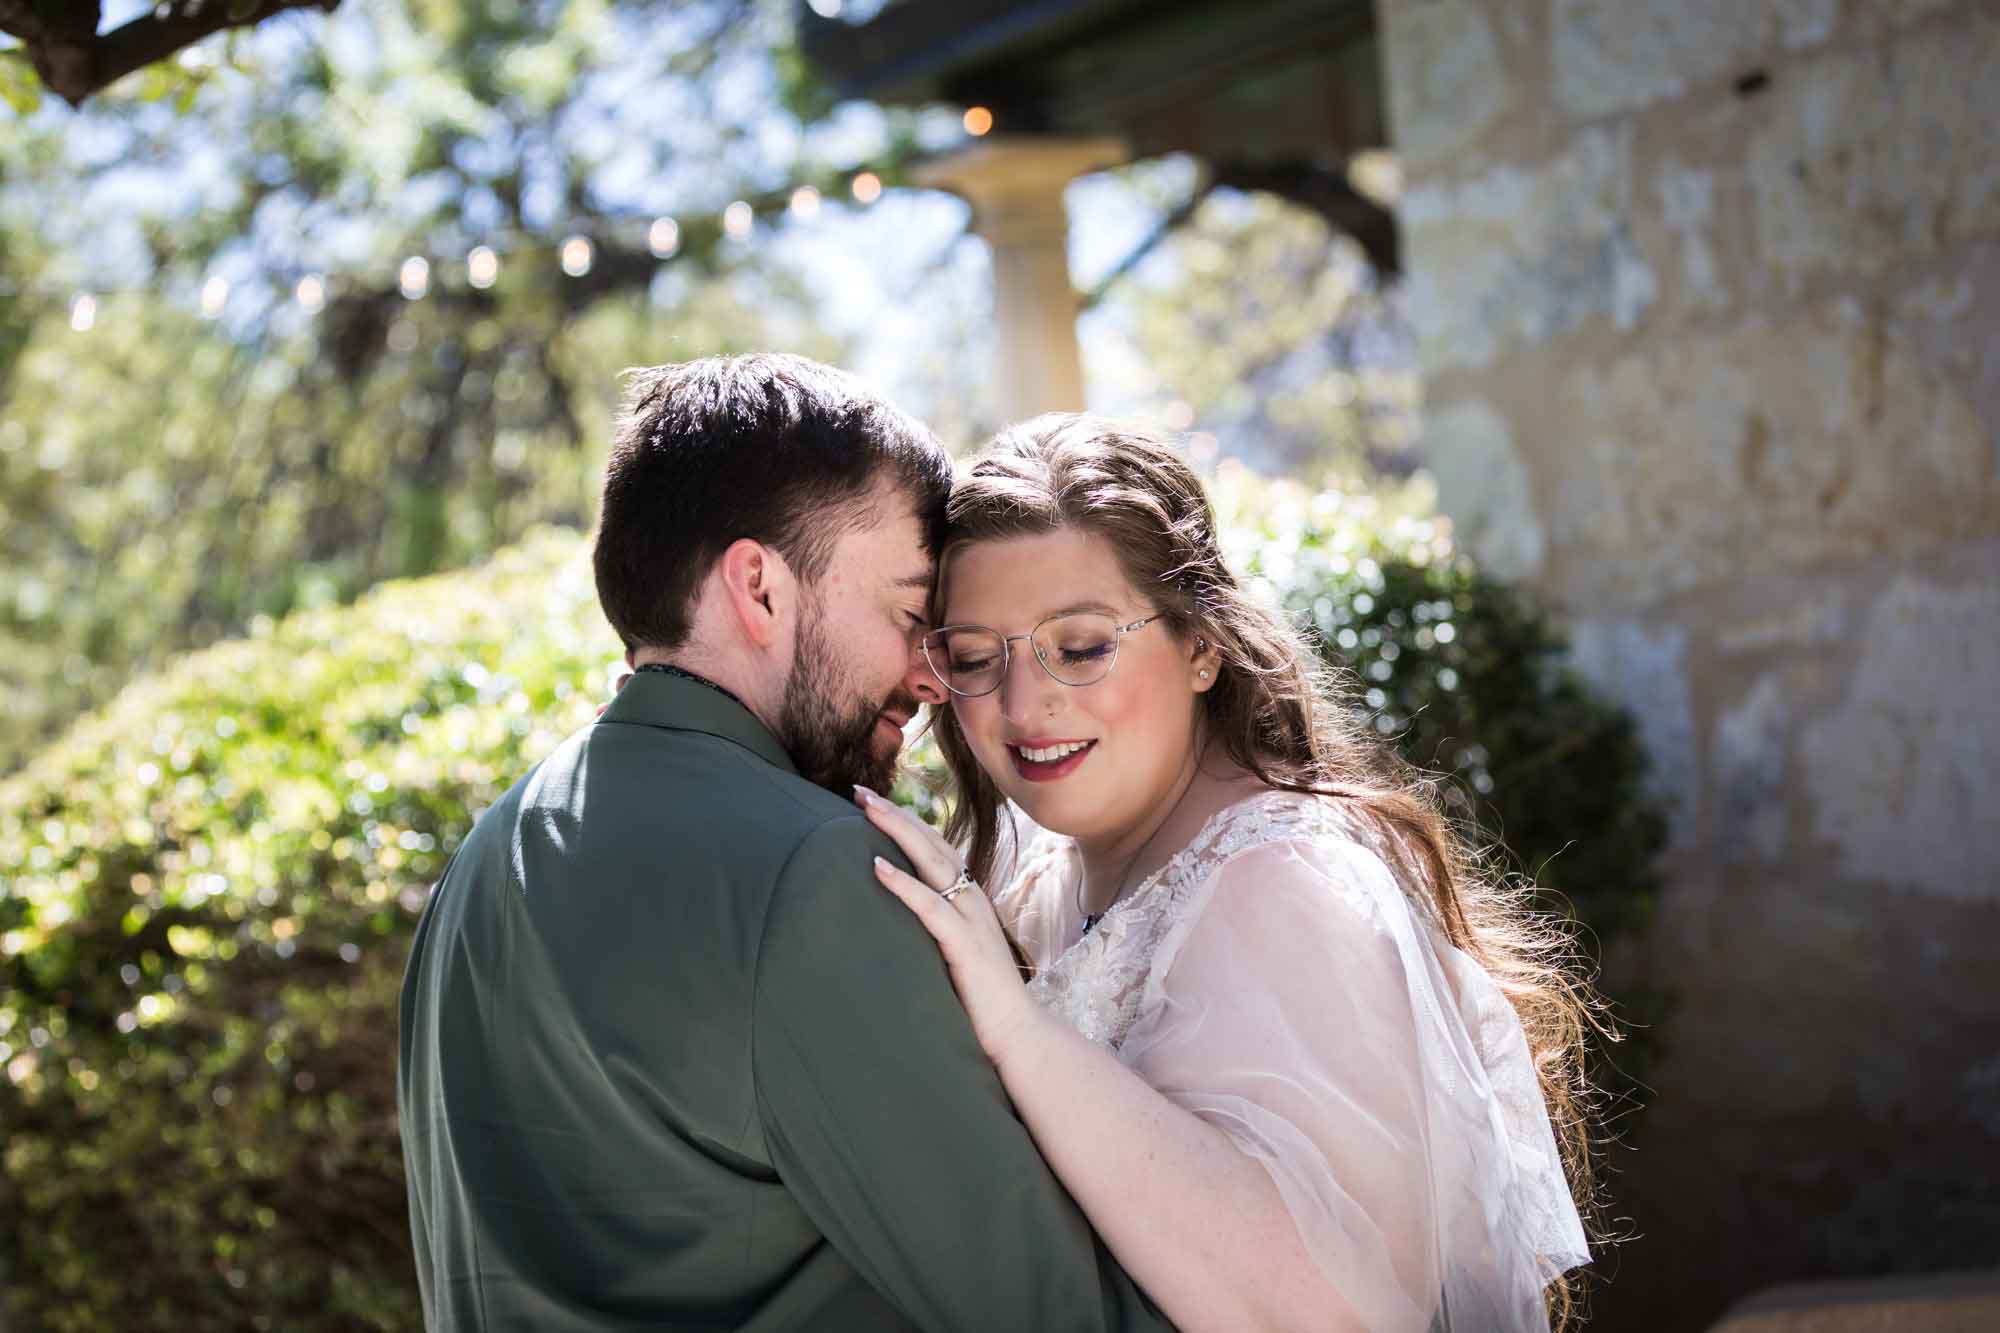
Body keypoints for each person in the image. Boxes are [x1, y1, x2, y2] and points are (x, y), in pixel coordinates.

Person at [397, 358, 1176, 1332]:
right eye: (907, 617)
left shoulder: (480, 862)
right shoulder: (816, 873)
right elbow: (1058, 1314)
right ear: (758, 588)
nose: (932, 679)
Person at [857, 414, 1599, 1332]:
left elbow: (1335, 1310)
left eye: (1081, 647)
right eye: (976, 657)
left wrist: (1019, 1034)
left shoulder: (1283, 885)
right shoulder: (1034, 888)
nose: (1022, 702)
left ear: (1201, 645)